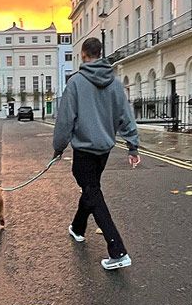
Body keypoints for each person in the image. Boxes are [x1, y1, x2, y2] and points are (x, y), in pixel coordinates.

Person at [53, 36, 140, 270]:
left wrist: (58, 147)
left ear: (83, 54)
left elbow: (65, 119)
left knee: (91, 190)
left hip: (84, 150)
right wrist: (132, 145)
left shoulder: (75, 82)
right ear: (100, 53)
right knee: (90, 188)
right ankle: (78, 228)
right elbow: (126, 115)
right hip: (104, 150)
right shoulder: (115, 83)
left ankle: (118, 250)